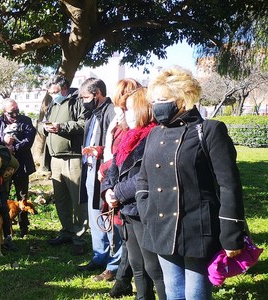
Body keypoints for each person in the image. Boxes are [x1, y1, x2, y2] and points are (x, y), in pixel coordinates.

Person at [137, 66, 245, 300]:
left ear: (182, 99)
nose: (157, 106)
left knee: (196, 294)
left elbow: (229, 186)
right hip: (161, 226)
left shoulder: (210, 130)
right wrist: (146, 210)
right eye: (154, 101)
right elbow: (143, 179)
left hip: (198, 229)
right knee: (173, 291)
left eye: (163, 100)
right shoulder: (154, 134)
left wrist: (231, 234)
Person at [101, 88, 165, 300]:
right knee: (137, 264)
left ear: (143, 109)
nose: (125, 114)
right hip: (125, 210)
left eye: (129, 109)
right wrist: (107, 190)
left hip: (143, 208)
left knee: (153, 266)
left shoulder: (156, 136)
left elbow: (145, 176)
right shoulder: (128, 137)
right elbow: (113, 169)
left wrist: (117, 192)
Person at [77, 77, 123, 283]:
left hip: (105, 172)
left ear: (98, 94)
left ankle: (114, 265)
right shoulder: (93, 113)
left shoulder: (112, 111)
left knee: (109, 218)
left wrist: (100, 151)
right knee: (95, 214)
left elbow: (117, 147)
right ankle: (99, 256)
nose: (83, 101)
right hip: (90, 169)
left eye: (86, 97)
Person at [103, 79, 142, 297]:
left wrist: (116, 189)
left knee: (131, 240)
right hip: (116, 185)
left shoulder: (136, 125)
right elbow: (116, 156)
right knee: (126, 236)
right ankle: (123, 279)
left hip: (130, 191)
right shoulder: (120, 122)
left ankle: (123, 280)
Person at [42, 75, 88, 255]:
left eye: (55, 92)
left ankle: (80, 237)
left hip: (73, 157)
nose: (53, 95)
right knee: (61, 199)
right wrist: (45, 127)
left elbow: (84, 123)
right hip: (56, 159)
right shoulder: (52, 105)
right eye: (50, 92)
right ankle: (67, 231)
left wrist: (62, 127)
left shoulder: (77, 102)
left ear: (64, 89)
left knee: (77, 199)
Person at [0, 98, 36, 235]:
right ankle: (5, 227)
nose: (16, 115)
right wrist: (3, 140)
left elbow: (29, 140)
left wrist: (13, 148)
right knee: (3, 197)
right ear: (4, 112)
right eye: (12, 112)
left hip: (22, 165)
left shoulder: (26, 121)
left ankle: (23, 226)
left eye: (17, 111)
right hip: (4, 166)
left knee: (22, 197)